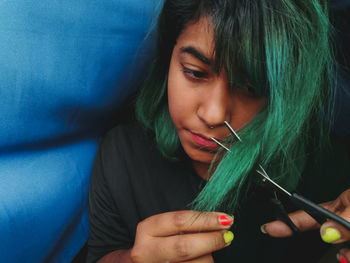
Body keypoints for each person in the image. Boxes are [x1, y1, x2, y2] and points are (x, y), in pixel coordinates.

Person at [87, 0, 350, 262]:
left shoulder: (332, 173)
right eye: (195, 72)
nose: (213, 115)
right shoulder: (122, 157)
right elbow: (103, 252)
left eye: (251, 88)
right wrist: (129, 259)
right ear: (169, 53)